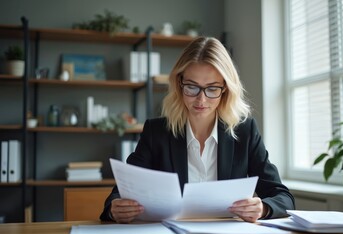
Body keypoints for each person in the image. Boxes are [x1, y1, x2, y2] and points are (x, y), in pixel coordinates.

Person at [100, 36, 295, 223]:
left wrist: (263, 208)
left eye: (212, 89)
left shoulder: (245, 131)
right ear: (179, 83)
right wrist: (115, 209)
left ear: (225, 89)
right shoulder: (156, 132)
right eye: (192, 87)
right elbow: (118, 195)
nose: (201, 100)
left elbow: (283, 197)